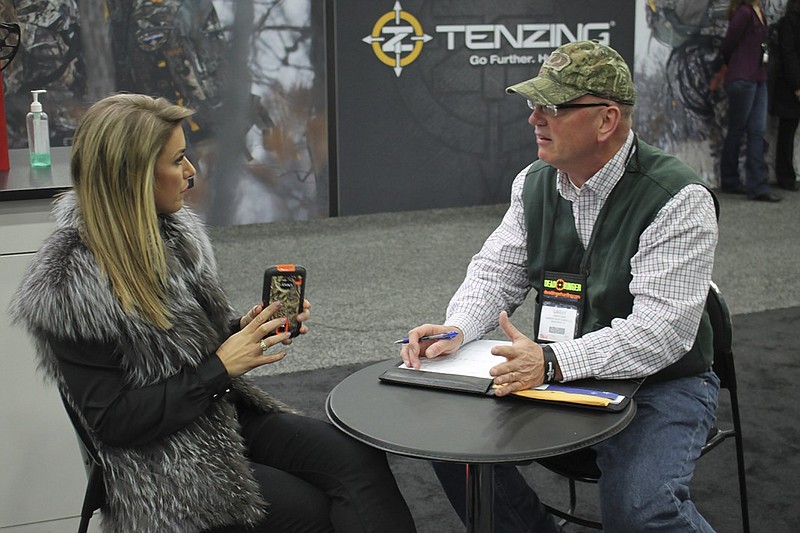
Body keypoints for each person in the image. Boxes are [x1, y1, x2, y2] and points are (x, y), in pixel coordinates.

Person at [10, 93, 417, 533]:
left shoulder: (171, 234)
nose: (191, 172)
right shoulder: (68, 286)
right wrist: (220, 367)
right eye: (178, 160)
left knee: (355, 459)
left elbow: (185, 341)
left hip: (217, 413)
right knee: (305, 511)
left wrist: (245, 328)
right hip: (159, 460)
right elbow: (113, 422)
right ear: (133, 176)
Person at [401, 40, 721, 532]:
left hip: (662, 382)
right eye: (534, 105)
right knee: (450, 445)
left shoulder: (678, 198)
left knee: (642, 510)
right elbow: (495, 271)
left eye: (551, 106)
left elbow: (664, 333)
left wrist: (551, 361)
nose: (534, 119)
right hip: (553, 369)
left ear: (607, 120)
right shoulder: (534, 182)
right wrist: (457, 328)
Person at [719, 0, 782, 201]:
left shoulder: (758, 10)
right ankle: (730, 180)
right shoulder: (744, 12)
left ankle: (757, 186)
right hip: (743, 77)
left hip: (758, 77)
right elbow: (728, 44)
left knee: (757, 131)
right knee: (738, 129)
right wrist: (737, 63)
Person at [771, 0, 800, 191]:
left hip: (793, 83)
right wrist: (797, 84)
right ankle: (785, 175)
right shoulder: (789, 22)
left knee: (789, 131)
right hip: (791, 86)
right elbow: (788, 54)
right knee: (787, 131)